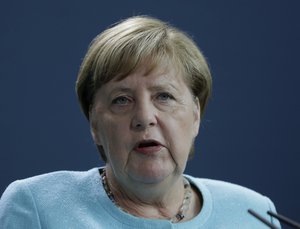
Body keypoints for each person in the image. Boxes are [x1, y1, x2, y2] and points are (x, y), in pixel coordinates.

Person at [0, 16, 281, 228]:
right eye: (121, 99)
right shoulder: (37, 207)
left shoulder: (254, 213)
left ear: (195, 115)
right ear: (95, 125)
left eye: (164, 96)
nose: (145, 118)